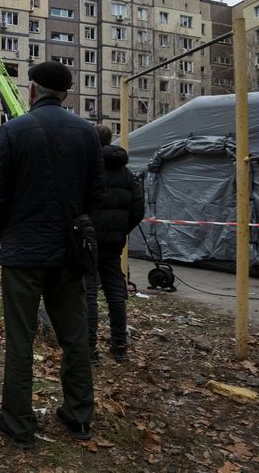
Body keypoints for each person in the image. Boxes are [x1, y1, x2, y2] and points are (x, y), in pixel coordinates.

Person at [0, 61, 105, 448]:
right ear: (66, 94)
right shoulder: (87, 133)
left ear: (32, 91)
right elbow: (97, 193)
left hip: (23, 254)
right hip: (69, 253)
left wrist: (7, 229)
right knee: (75, 337)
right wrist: (74, 220)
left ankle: (18, 423)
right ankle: (79, 416)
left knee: (21, 339)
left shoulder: (13, 130)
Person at [85, 124, 144, 365]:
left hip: (89, 240)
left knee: (89, 292)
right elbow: (138, 209)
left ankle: (90, 349)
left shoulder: (89, 169)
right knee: (116, 294)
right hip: (115, 241)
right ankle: (120, 346)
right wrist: (121, 229)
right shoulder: (127, 173)